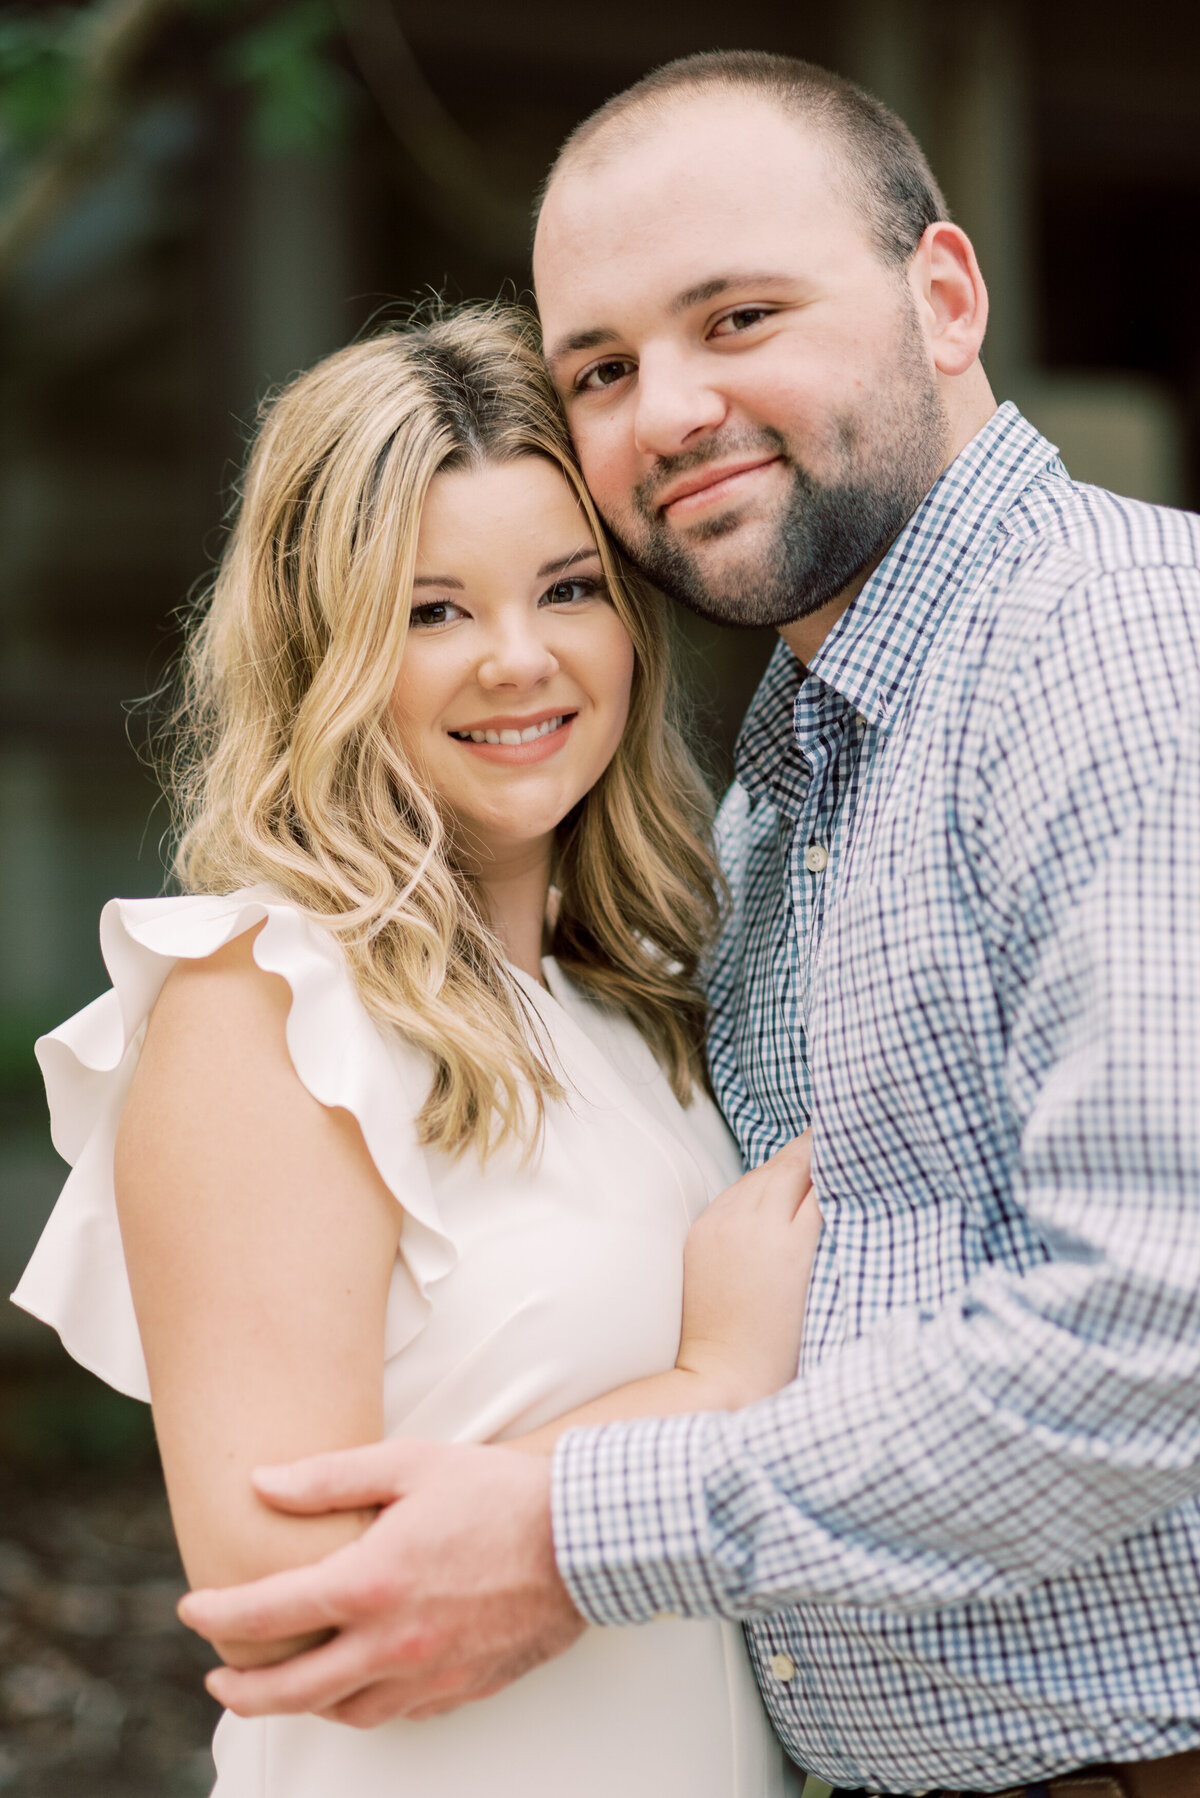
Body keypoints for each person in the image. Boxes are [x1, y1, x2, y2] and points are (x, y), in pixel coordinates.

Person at [173, 50, 1200, 1798]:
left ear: (944, 297)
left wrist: (583, 1524)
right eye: (605, 366)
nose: (672, 408)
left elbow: (1152, 1323)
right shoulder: (770, 814)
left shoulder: (1114, 651)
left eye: (739, 317)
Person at [12, 302, 825, 1796]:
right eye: (431, 609)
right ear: (326, 647)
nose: (518, 660)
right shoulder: (265, 1004)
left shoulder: (641, 1010)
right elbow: (286, 1597)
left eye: (566, 587)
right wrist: (713, 1383)